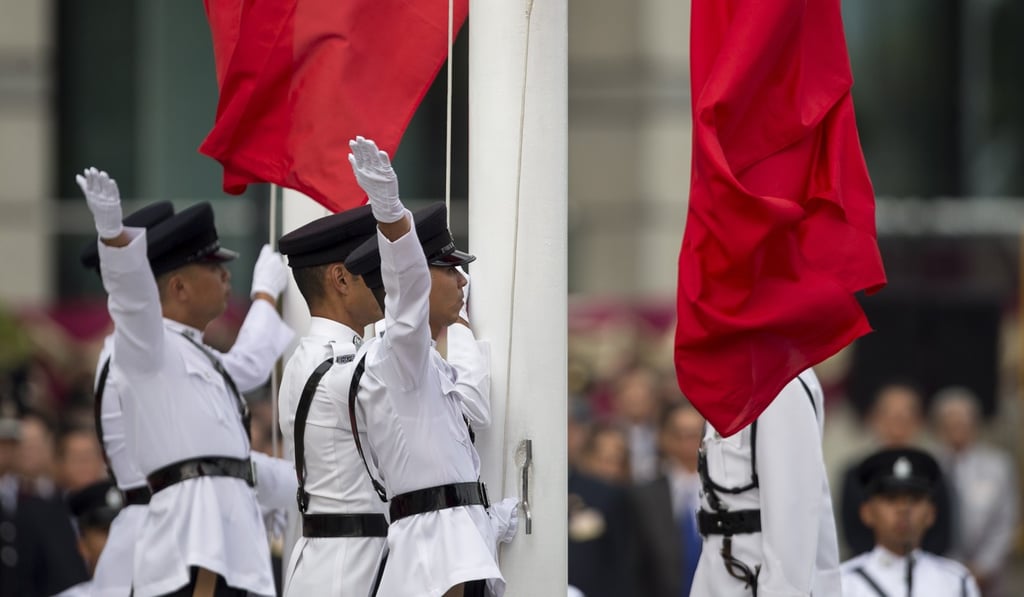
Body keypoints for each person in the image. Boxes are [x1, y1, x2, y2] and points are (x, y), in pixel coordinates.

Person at [78, 167, 297, 596]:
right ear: (177, 285)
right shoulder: (141, 349)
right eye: (212, 265)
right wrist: (116, 243)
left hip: (217, 537)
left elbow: (244, 371)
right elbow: (132, 299)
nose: (225, 275)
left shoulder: (190, 351)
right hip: (172, 537)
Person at [338, 136, 515, 597]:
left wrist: (458, 320)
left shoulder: (423, 365)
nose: (463, 280)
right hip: (435, 564)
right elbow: (407, 286)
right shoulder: (394, 359)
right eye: (449, 269)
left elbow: (475, 407)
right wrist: (392, 219)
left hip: (458, 551)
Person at [275, 204, 390, 596]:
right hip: (351, 571)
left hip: (328, 563)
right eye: (372, 270)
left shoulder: (308, 357)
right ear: (341, 279)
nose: (383, 281)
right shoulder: (345, 365)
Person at [690, 368, 842, 596]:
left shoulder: (782, 384)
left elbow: (791, 525)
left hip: (753, 580)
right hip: (718, 575)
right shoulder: (736, 375)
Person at [840, 447, 980, 597]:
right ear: (867, 512)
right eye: (891, 499)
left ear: (931, 513)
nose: (903, 509)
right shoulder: (843, 582)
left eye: (914, 500)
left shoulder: (956, 582)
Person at [839, 382, 952, 556]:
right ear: (874, 419)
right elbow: (853, 534)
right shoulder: (856, 473)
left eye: (906, 417)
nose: (898, 426)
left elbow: (942, 534)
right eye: (891, 417)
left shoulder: (934, 472)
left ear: (919, 422)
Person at [931, 387, 1018, 596]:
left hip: (989, 578)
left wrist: (983, 567)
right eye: (950, 424)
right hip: (939, 575)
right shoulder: (930, 466)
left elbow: (1006, 522)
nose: (956, 429)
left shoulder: (998, 466)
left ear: (975, 425)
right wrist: (948, 569)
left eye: (962, 423)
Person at [0, 415, 89, 595]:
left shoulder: (61, 498)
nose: (29, 451)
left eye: (36, 444)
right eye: (24, 444)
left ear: (49, 446)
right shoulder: (7, 499)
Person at [629, 401, 705, 597]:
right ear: (663, 438)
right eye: (679, 435)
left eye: (695, 435)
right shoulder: (643, 496)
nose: (688, 443)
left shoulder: (730, 493)